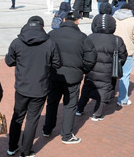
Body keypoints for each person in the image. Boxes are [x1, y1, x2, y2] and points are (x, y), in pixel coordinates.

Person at [5, 16, 61, 157]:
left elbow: (9, 61)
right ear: (42, 27)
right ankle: (25, 152)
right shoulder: (50, 43)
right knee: (32, 119)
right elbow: (57, 64)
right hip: (40, 88)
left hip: (22, 87)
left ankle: (12, 147)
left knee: (17, 117)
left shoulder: (17, 42)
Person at [42, 12, 97, 143]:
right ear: (77, 21)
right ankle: (66, 135)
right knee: (70, 105)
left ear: (64, 19)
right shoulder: (83, 37)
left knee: (52, 102)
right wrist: (82, 70)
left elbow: (44, 54)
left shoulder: (52, 34)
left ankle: (47, 129)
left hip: (54, 75)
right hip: (73, 77)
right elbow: (91, 58)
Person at [76, 11, 127, 121]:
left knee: (86, 88)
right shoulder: (117, 40)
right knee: (104, 91)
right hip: (107, 72)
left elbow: (83, 53)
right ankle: (97, 114)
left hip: (91, 70)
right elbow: (123, 56)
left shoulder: (90, 37)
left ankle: (79, 109)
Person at [113, 4, 134, 106]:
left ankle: (107, 96)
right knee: (125, 76)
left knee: (110, 74)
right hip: (127, 51)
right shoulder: (133, 21)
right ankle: (122, 100)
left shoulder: (113, 18)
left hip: (112, 49)